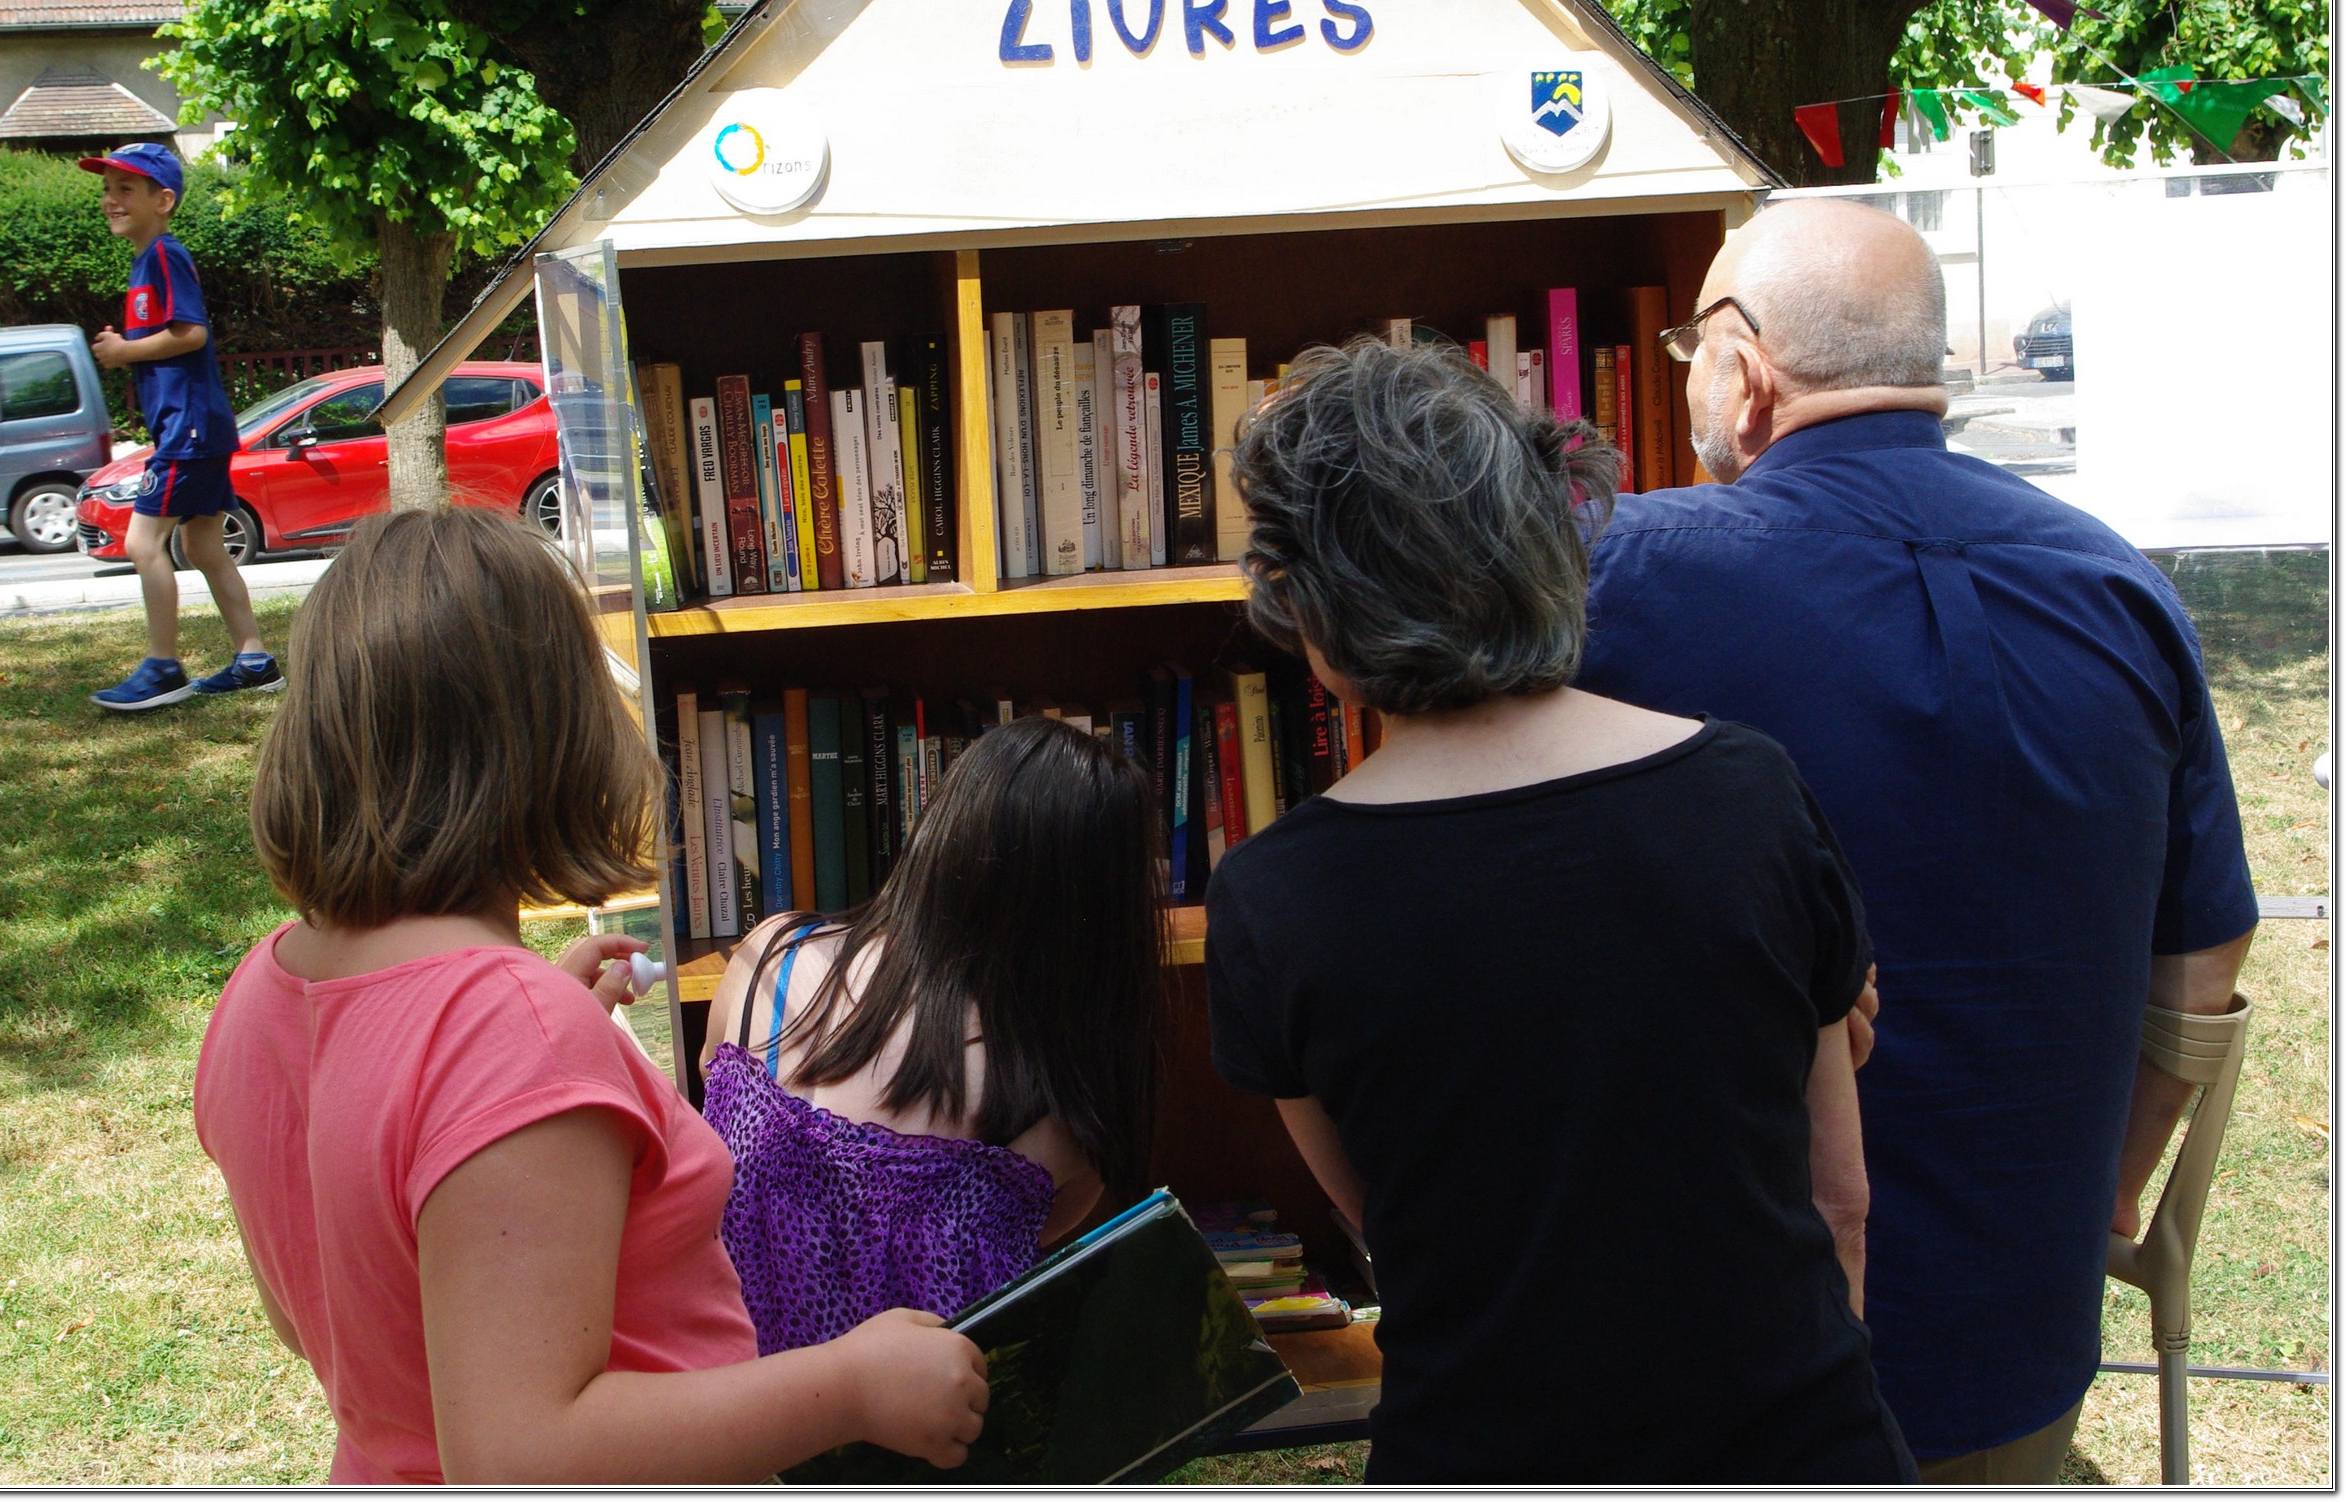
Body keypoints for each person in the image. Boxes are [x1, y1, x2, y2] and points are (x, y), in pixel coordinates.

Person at [1578, 198, 2256, 1483]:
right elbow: (2206, 969)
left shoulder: (1626, 569)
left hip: (1715, 1357)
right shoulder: (2121, 586)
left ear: (1746, 362)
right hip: (2021, 1353)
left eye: (1688, 351)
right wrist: (2103, 1198)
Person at [1206, 339, 1913, 1485]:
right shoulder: (1748, 789)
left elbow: (1396, 1218)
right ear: (1542, 539)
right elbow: (1840, 1196)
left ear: (1314, 607)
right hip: (1793, 1440)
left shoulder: (1273, 896)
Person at [196, 506, 989, 1483]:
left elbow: (322, 1298)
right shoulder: (507, 1029)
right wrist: (854, 1385)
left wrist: (536, 1055)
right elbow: (523, 1453)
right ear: (552, 735)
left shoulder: (262, 988)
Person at [700, 715, 1163, 1354]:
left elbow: (708, 1116)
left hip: (720, 1410)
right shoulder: (1060, 1111)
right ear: (1101, 912)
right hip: (914, 1442)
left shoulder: (765, 964)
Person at [78, 142, 278, 712]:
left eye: (125, 189)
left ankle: (163, 667)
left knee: (143, 541)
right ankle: (254, 660)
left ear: (162, 200)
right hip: (194, 427)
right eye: (107, 189)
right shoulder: (149, 260)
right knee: (204, 545)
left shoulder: (165, 255)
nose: (111, 200)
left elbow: (190, 333)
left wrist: (124, 349)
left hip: (189, 430)